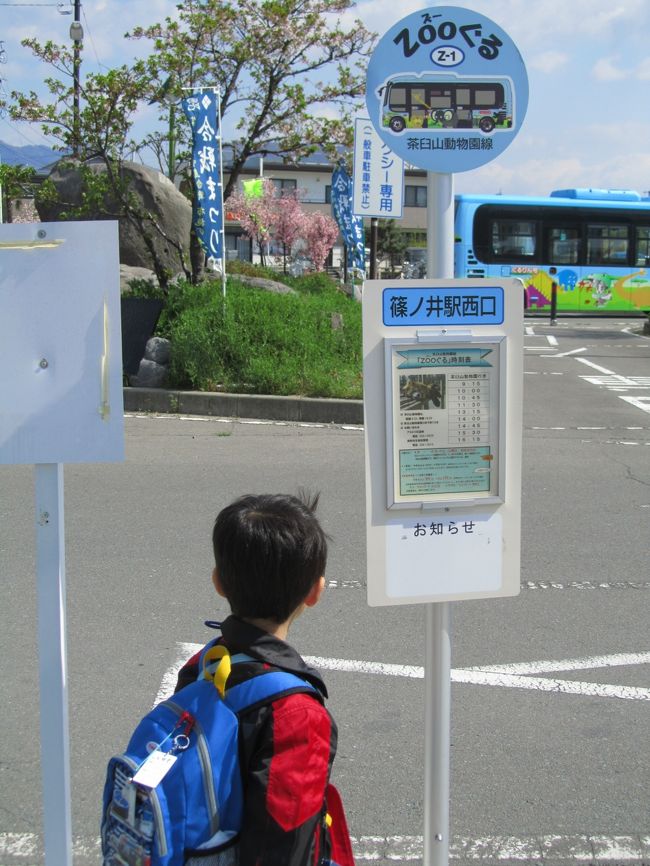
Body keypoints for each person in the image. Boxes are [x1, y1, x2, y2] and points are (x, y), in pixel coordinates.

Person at [175, 492, 338, 866]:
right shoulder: (296, 713)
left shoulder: (205, 664)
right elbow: (283, 842)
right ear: (315, 591)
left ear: (218, 581)